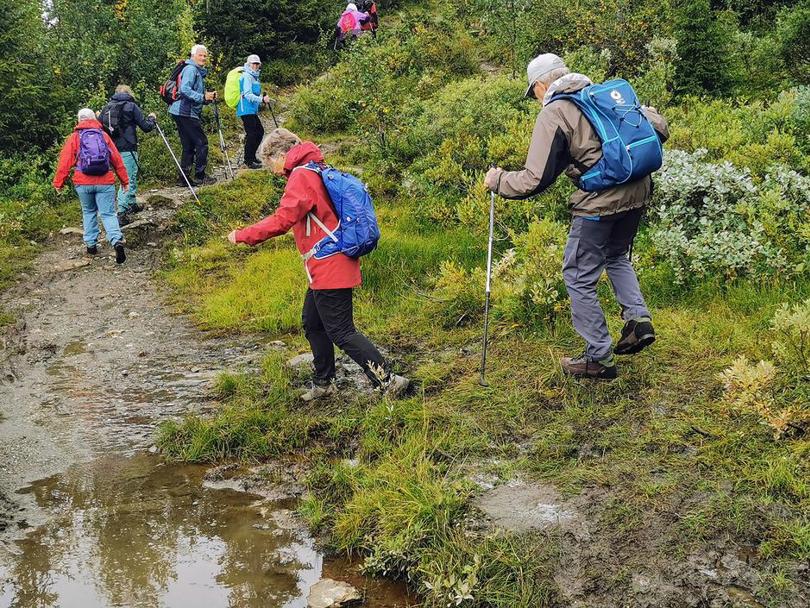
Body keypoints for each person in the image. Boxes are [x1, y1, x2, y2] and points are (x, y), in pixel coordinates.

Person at [485, 53, 669, 380]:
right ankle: (638, 322)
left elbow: (534, 179)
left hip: (599, 203)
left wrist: (498, 181)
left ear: (542, 85)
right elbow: (659, 127)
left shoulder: (554, 113)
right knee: (616, 256)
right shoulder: (602, 95)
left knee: (578, 275)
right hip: (639, 189)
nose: (536, 98)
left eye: (534, 92)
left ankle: (598, 357)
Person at [226, 128, 409, 401]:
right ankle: (324, 383)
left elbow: (282, 220)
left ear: (281, 154)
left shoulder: (301, 176)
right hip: (326, 264)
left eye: (269, 162)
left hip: (329, 264)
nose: (271, 169)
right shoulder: (314, 168)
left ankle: (388, 380)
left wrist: (242, 235)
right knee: (313, 323)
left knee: (341, 330)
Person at [53, 108, 130, 264]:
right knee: (108, 214)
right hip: (105, 181)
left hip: (83, 182)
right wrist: (125, 181)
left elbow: (65, 162)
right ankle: (116, 241)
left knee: (88, 212)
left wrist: (58, 183)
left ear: (79, 120)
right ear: (94, 118)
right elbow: (117, 160)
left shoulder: (75, 137)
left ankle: (91, 245)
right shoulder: (104, 136)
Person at [99, 84, 156, 226]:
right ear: (129, 93)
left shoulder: (107, 108)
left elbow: (100, 127)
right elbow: (146, 127)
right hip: (128, 147)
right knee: (128, 177)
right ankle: (122, 212)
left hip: (111, 149)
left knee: (127, 175)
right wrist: (152, 118)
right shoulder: (131, 106)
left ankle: (131, 202)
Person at [168, 44, 217, 186]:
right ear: (193, 55)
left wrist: (206, 98)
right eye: (200, 55)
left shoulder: (194, 70)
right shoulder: (191, 69)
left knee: (188, 145)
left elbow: (193, 94)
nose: (203, 58)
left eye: (205, 56)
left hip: (180, 111)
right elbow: (184, 90)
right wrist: (203, 97)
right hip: (185, 112)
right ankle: (200, 176)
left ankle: (183, 179)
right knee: (202, 142)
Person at [237, 54, 272, 170]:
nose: (255, 66)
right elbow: (247, 94)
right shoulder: (247, 76)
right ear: (248, 64)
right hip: (245, 109)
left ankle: (252, 157)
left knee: (260, 132)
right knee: (252, 134)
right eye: (253, 63)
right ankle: (248, 160)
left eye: (257, 64)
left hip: (252, 110)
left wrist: (262, 98)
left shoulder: (255, 77)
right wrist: (261, 99)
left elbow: (254, 94)